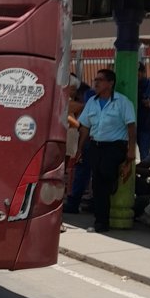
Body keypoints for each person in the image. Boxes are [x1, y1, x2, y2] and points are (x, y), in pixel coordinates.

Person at [70, 69, 136, 233]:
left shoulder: (122, 102)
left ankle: (111, 182)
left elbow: (131, 126)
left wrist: (131, 150)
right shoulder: (92, 101)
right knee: (98, 183)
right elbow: (85, 126)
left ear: (110, 83)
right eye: (95, 80)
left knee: (105, 176)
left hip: (115, 146)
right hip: (96, 145)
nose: (96, 83)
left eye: (100, 80)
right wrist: (79, 148)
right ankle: (101, 222)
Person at [63, 74, 94, 214]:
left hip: (72, 139)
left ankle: (70, 197)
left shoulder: (73, 103)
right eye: (72, 89)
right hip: (68, 138)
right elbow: (74, 121)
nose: (75, 92)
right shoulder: (68, 103)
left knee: (70, 168)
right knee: (68, 168)